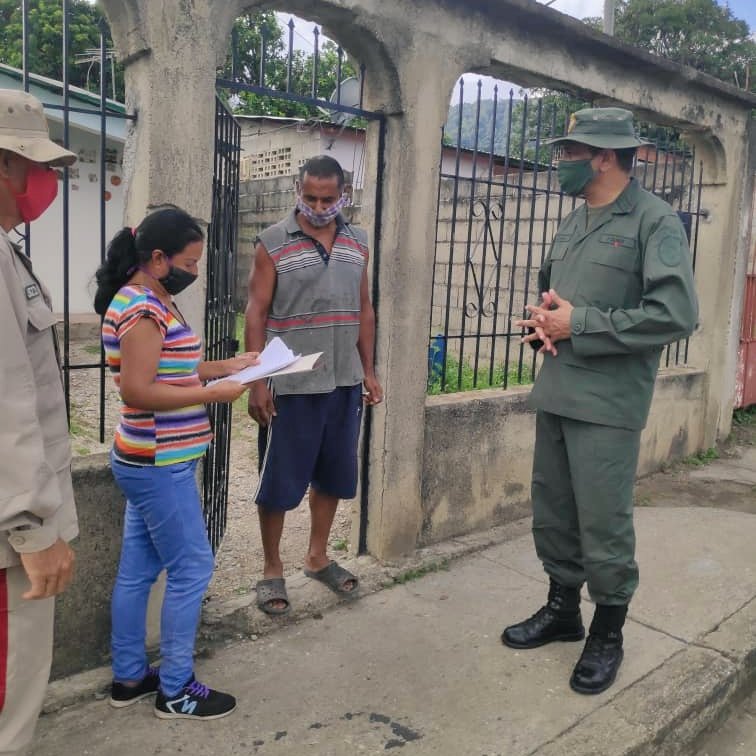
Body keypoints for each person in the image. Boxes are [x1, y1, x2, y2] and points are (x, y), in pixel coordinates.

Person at [503, 108, 698, 694]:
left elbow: (676, 314)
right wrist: (542, 323)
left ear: (605, 156)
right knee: (555, 511)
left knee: (603, 522)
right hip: (560, 389)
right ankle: (564, 611)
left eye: (570, 153)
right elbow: (554, 295)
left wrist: (577, 323)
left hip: (609, 402)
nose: (560, 163)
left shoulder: (654, 221)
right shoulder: (574, 219)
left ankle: (607, 632)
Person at [94, 206, 259, 720]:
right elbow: (139, 389)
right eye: (189, 261)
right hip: (157, 459)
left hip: (152, 457)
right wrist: (214, 392)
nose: (194, 270)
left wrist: (226, 366)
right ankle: (177, 688)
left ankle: (128, 676)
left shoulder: (154, 298)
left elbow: (172, 366)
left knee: (139, 570)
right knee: (192, 566)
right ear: (159, 258)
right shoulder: (141, 308)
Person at [245, 155, 382, 616]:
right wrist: (258, 379)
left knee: (334, 475)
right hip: (291, 383)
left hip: (344, 380)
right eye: (310, 197)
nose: (319, 206)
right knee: (281, 480)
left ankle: (318, 556)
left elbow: (364, 308)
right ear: (297, 191)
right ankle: (270, 568)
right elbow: (256, 312)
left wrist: (370, 369)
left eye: (328, 198)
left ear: (343, 194)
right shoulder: (272, 242)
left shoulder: (358, 242)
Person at [0, 89, 78, 755]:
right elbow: (6, 402)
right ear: (4, 165)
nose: (42, 181)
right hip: (9, 534)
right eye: (34, 164)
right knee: (11, 691)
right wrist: (32, 528)